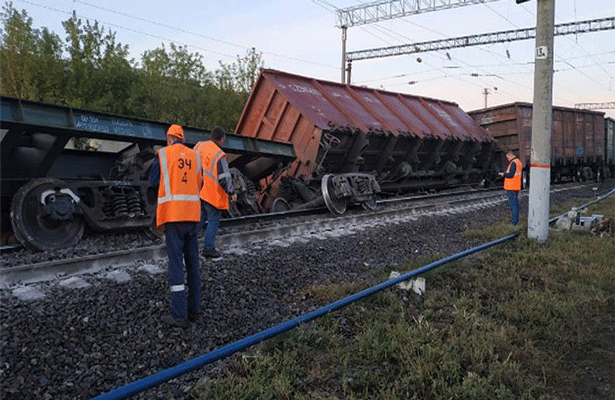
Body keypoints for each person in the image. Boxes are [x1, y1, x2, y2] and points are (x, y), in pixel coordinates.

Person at [149, 124, 202, 328]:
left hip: (173, 216)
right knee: (193, 263)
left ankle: (179, 315)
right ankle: (194, 310)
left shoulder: (162, 155)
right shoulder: (195, 156)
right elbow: (201, 184)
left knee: (176, 265)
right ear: (182, 138)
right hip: (193, 216)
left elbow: (153, 182)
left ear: (170, 138)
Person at [194, 126, 237, 258]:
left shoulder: (199, 146)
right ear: (221, 139)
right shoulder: (219, 155)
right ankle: (208, 248)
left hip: (198, 190)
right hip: (211, 194)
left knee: (200, 219)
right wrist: (232, 192)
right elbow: (225, 178)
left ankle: (188, 243)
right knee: (213, 220)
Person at [499, 151, 523, 226]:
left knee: (513, 205)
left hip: (511, 187)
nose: (507, 159)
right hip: (516, 186)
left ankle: (514, 222)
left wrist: (503, 174)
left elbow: (510, 174)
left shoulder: (513, 163)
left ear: (510, 156)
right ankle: (515, 220)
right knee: (515, 204)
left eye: (508, 157)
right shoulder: (519, 162)